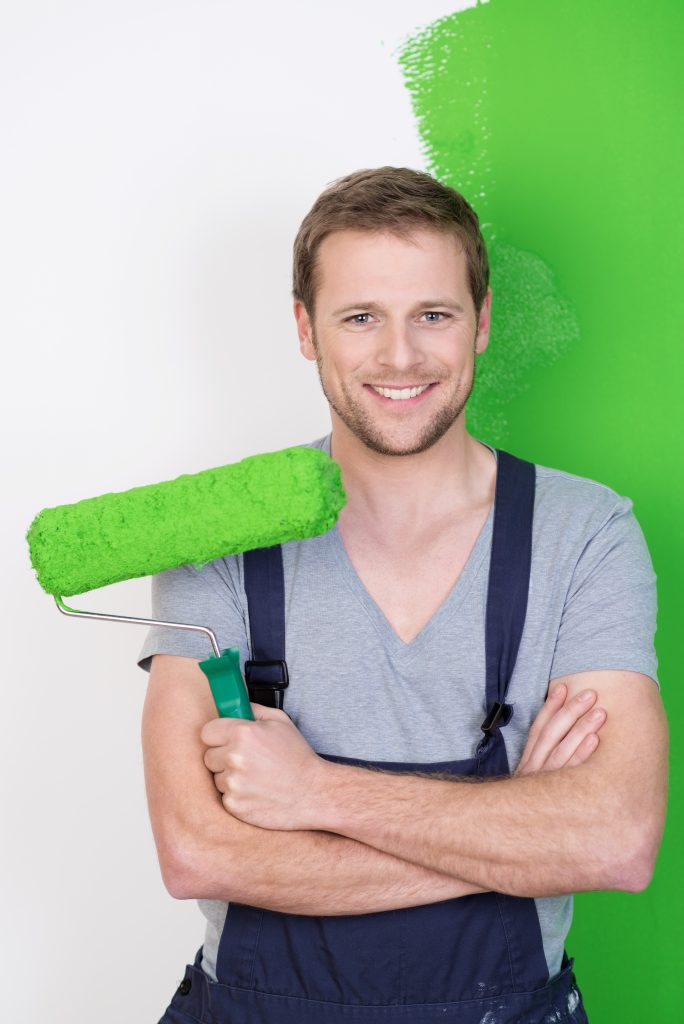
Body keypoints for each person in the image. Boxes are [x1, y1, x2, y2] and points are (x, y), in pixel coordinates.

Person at [138, 166, 667, 1024]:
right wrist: (520, 835)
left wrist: (317, 795)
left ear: (483, 321)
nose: (399, 356)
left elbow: (616, 840)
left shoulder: (585, 534)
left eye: (433, 314)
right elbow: (196, 852)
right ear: (307, 330)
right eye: (360, 318)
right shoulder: (217, 542)